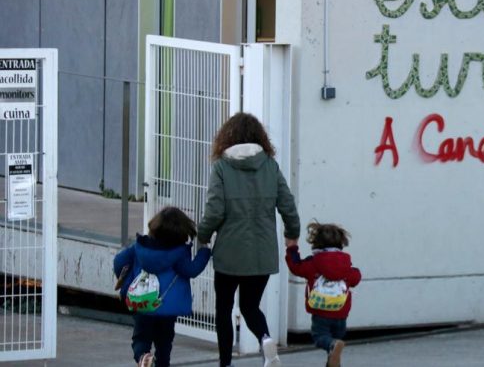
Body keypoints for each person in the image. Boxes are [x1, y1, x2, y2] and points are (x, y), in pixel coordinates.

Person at [197, 112, 301, 367]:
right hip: (262, 252)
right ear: (259, 137)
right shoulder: (269, 165)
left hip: (229, 254)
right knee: (250, 306)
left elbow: (214, 211)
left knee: (223, 310)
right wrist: (292, 235)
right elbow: (288, 205)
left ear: (227, 137)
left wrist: (202, 236)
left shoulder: (221, 167)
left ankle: (225, 363)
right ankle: (266, 341)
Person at [113, 206, 211, 367]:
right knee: (164, 345)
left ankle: (143, 357)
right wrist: (204, 252)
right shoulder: (179, 253)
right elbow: (191, 270)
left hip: (143, 303)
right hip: (167, 308)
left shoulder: (139, 246)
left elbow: (119, 262)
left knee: (141, 339)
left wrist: (126, 280)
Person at [286, 222, 362, 367]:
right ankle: (333, 356)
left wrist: (292, 249)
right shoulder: (345, 264)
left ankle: (332, 346)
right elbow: (356, 278)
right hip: (341, 311)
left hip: (321, 311)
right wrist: (355, 271)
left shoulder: (313, 262)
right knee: (335, 341)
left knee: (320, 338)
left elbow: (296, 267)